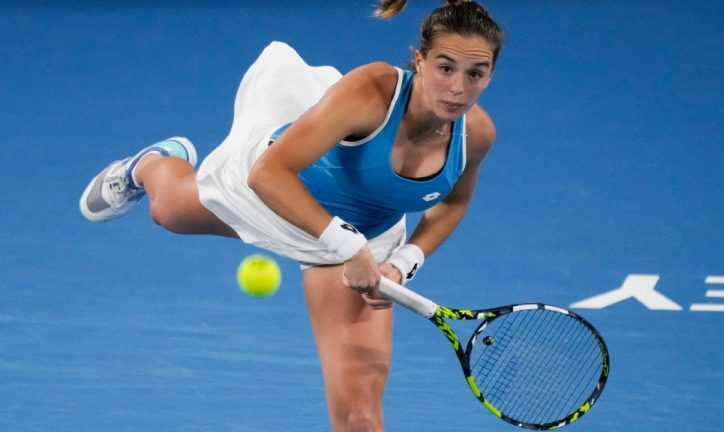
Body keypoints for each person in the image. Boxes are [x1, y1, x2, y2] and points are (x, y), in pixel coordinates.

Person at [79, 0, 503, 430]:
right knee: (166, 210)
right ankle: (151, 162)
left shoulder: (477, 134)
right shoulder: (373, 92)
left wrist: (402, 262)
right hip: (276, 193)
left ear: (490, 75)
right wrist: (346, 244)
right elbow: (269, 174)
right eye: (445, 68)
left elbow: (452, 203)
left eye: (475, 73)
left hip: (364, 238)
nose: (458, 88)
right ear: (420, 60)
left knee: (359, 419)